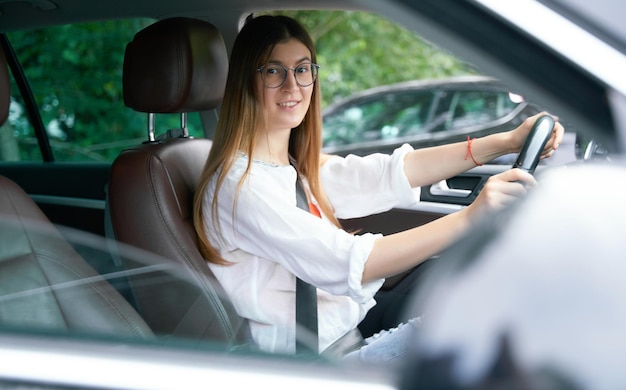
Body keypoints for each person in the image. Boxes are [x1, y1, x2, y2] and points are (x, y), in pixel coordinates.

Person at [192, 15, 563, 362]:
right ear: (246, 79)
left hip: (345, 332)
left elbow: (389, 172)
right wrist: (472, 217)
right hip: (317, 365)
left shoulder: (290, 166)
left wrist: (506, 141)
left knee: (486, 303)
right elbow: (350, 262)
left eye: (302, 69)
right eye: (274, 71)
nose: (293, 86)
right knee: (481, 335)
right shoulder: (240, 187)